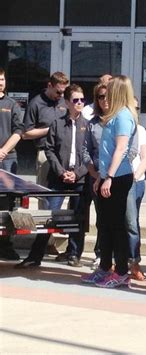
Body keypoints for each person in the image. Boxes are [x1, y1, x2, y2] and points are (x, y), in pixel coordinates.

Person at [81, 75, 137, 288]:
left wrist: (110, 177)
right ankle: (105, 268)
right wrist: (101, 177)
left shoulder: (123, 115)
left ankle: (121, 271)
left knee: (116, 226)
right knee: (104, 225)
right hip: (108, 176)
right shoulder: (113, 115)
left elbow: (121, 149)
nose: (107, 94)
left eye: (111, 89)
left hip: (119, 177)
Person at [16, 72, 69, 268]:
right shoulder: (36, 103)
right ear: (49, 85)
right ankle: (46, 240)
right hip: (45, 155)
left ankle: (57, 243)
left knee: (62, 201)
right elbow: (26, 133)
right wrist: (51, 129)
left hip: (64, 156)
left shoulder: (64, 103)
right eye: (57, 91)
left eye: (63, 92)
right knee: (46, 200)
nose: (59, 95)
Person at [44, 84, 89, 267]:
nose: (79, 103)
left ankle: (74, 253)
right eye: (75, 100)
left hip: (80, 178)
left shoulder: (88, 125)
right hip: (59, 177)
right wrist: (61, 172)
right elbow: (49, 150)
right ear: (67, 102)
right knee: (50, 215)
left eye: (82, 100)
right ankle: (38, 252)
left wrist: (77, 173)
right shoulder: (57, 123)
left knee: (79, 216)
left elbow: (91, 154)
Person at [82, 83, 107, 270]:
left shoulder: (121, 120)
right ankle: (102, 255)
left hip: (118, 177)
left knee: (120, 220)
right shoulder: (92, 123)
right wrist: (93, 172)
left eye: (107, 96)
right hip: (97, 176)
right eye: (100, 96)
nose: (104, 100)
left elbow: (128, 151)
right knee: (102, 219)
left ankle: (121, 258)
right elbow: (85, 150)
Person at [0, 68, 23, 260]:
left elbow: (18, 131)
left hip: (7, 160)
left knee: (7, 204)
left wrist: (3, 151)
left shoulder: (12, 104)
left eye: (2, 79)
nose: (0, 82)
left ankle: (6, 245)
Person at [127, 97, 146, 281]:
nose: (134, 111)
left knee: (132, 224)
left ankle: (134, 262)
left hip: (135, 182)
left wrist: (134, 177)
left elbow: (145, 157)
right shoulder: (115, 126)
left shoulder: (140, 130)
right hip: (116, 181)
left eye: (137, 108)